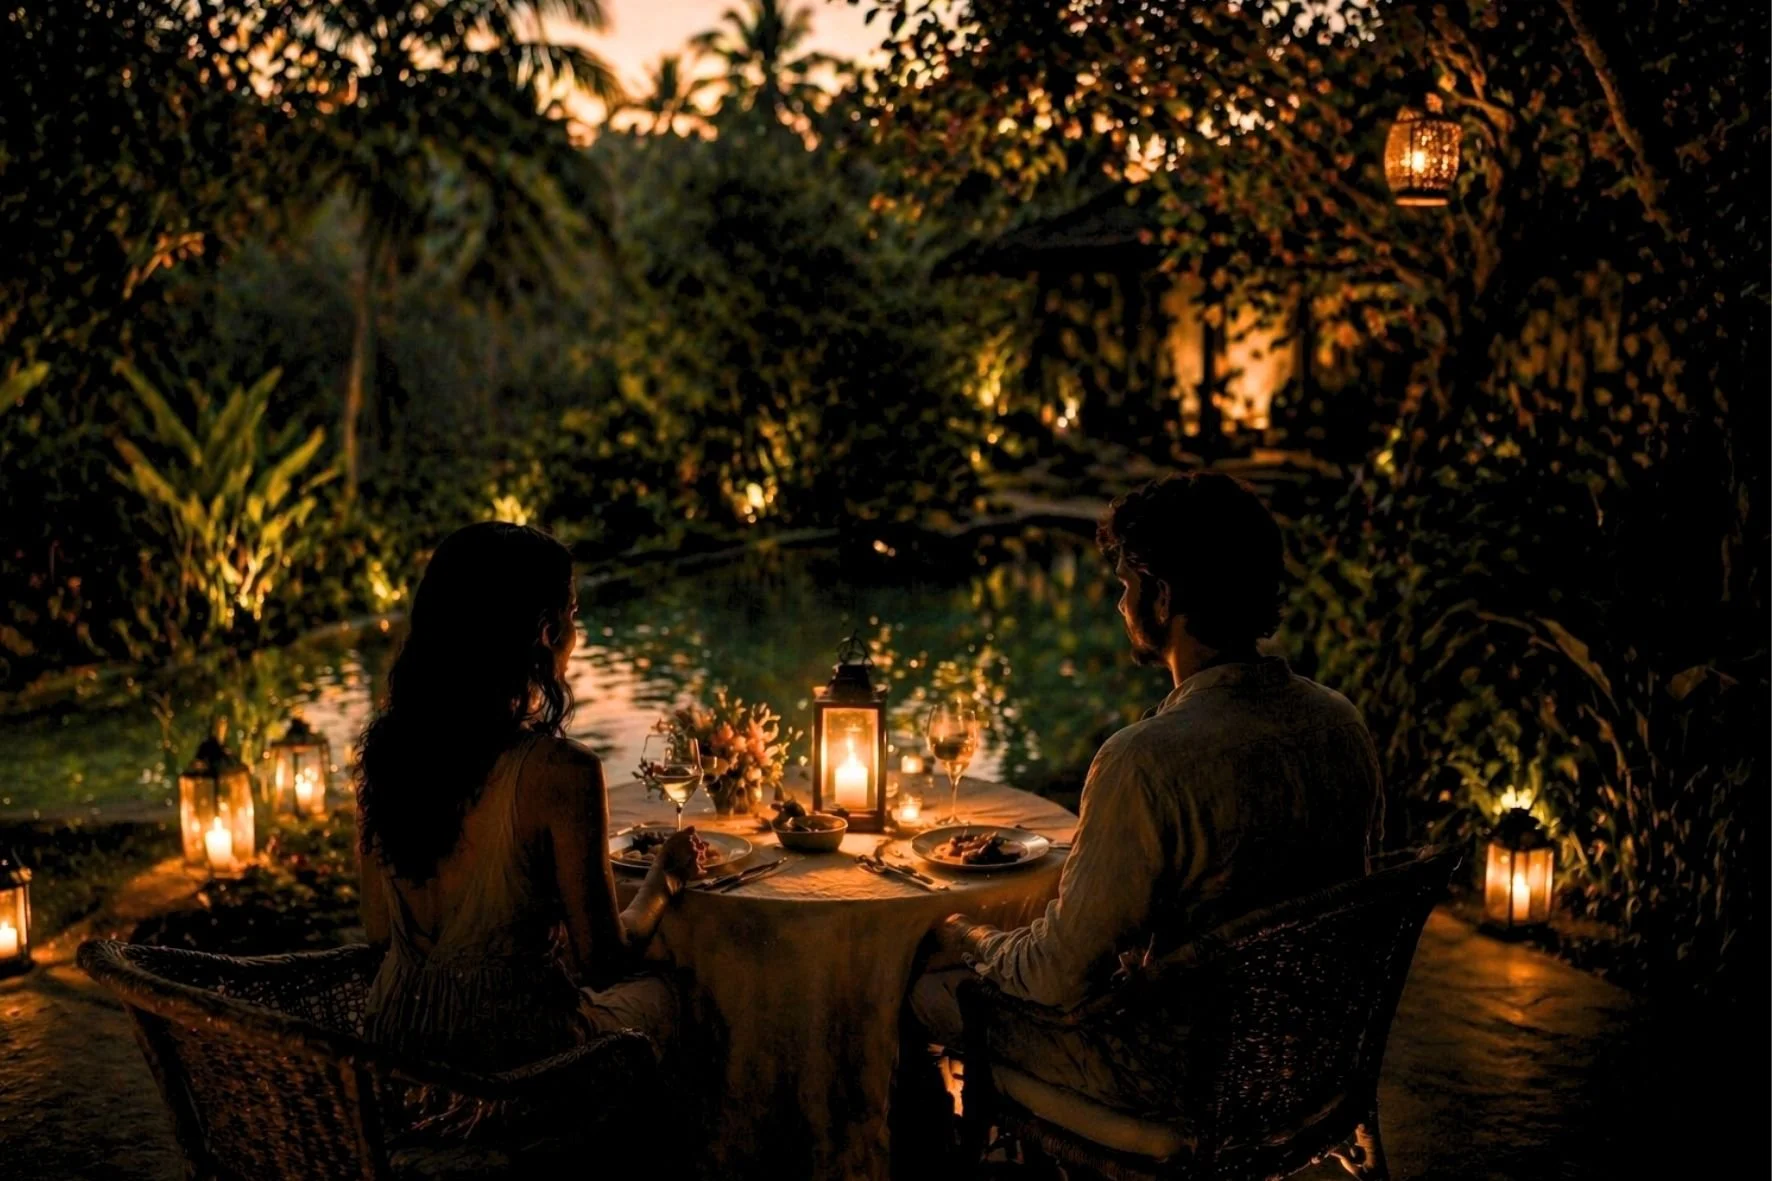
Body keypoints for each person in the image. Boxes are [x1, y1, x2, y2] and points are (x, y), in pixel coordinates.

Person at [903, 472, 1385, 1131]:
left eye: (1127, 585)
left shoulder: (1147, 760)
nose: (1120, 604)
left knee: (928, 990)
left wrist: (967, 935)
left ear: (1162, 596)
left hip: (1177, 1084)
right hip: (1312, 1063)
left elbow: (1059, 976)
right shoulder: (1341, 723)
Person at [356, 521, 704, 1074]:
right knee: (674, 996)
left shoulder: (387, 755)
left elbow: (379, 933)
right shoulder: (562, 771)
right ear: (545, 633)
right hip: (511, 1066)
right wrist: (664, 880)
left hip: (395, 1053)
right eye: (573, 615)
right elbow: (603, 962)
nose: (576, 633)